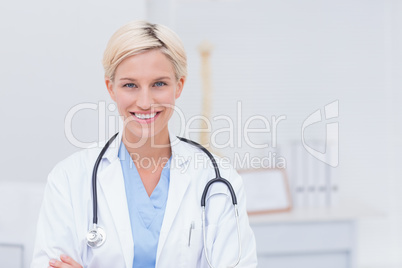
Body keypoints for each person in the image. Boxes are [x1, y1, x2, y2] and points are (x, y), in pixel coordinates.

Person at [31, 20, 257, 268]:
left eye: (159, 84)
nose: (145, 101)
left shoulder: (220, 180)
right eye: (130, 85)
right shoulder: (69, 179)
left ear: (178, 86)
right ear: (111, 88)